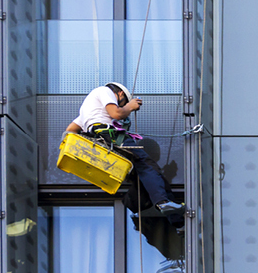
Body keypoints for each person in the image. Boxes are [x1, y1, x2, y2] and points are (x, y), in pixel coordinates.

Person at [65, 82, 184, 219]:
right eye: (120, 103)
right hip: (109, 135)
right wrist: (129, 106)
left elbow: (70, 130)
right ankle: (163, 203)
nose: (120, 106)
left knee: (145, 174)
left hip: (100, 138)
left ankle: (177, 221)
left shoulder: (87, 110)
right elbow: (117, 114)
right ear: (120, 94)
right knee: (146, 165)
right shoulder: (104, 91)